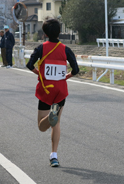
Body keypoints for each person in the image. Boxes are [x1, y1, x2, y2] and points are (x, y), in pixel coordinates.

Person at [26, 19, 79, 167]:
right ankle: (54, 155)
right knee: (57, 123)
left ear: (45, 33)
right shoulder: (66, 49)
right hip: (60, 90)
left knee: (41, 126)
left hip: (46, 89)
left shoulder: (40, 48)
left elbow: (29, 65)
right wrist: (66, 77)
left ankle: (50, 116)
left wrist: (39, 74)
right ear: (59, 32)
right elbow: (76, 70)